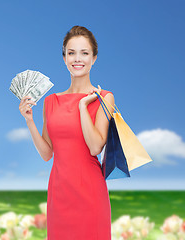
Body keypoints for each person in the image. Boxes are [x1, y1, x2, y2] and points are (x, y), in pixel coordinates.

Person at [19, 25, 115, 240]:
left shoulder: (104, 98)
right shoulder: (51, 101)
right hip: (59, 194)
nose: (77, 59)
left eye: (84, 53)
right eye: (71, 53)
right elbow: (47, 153)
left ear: (94, 58)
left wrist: (83, 107)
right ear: (64, 58)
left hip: (90, 194)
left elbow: (95, 146)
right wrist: (29, 121)